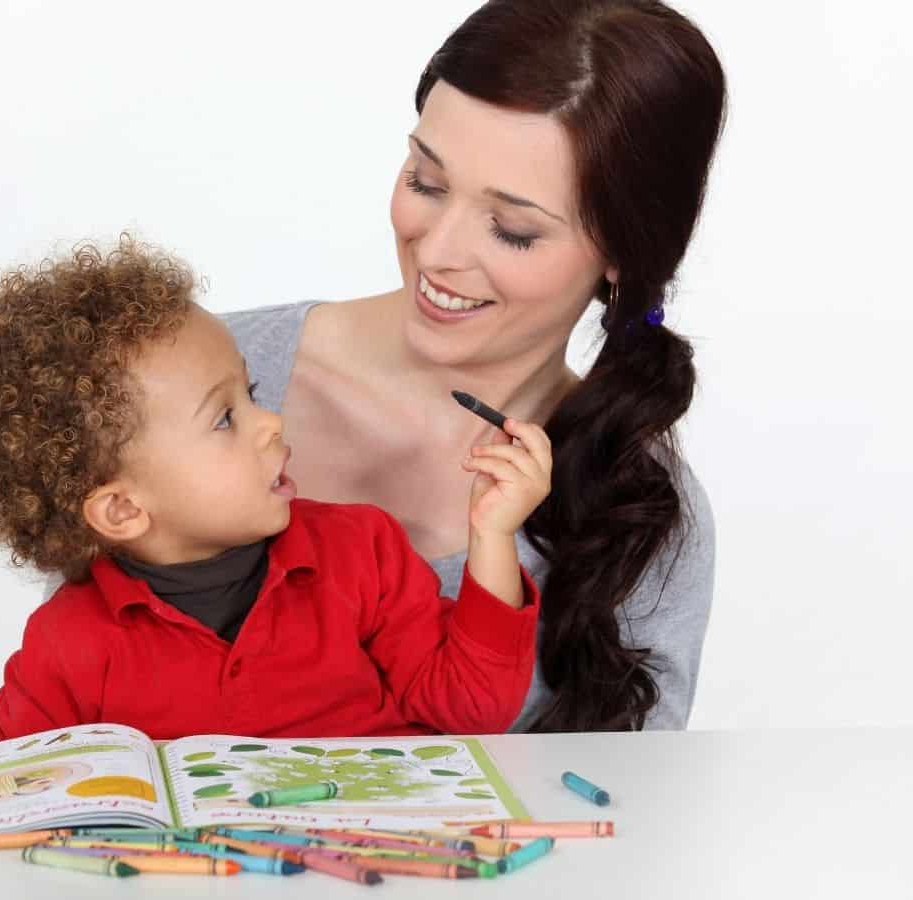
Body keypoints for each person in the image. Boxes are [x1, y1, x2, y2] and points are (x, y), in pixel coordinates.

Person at [222, 0, 726, 731]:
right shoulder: (202, 377)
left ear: (624, 254)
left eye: (513, 230)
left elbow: (631, 820)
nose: (437, 251)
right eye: (425, 181)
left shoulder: (638, 511)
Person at [0, 238, 552, 741]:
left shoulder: (364, 553)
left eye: (250, 395)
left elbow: (472, 710)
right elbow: (8, 799)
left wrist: (492, 535)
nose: (271, 421)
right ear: (122, 508)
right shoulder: (68, 646)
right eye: (225, 418)